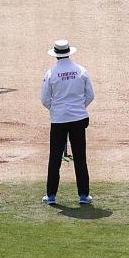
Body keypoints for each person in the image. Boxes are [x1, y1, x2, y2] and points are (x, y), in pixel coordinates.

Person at [41, 40, 94, 206]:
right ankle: (84, 195)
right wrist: (78, 107)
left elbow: (45, 99)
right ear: (69, 53)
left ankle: (51, 196)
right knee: (80, 157)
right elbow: (90, 95)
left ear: (56, 55)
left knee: (55, 158)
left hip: (59, 120)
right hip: (78, 119)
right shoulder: (81, 71)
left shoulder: (51, 73)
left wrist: (57, 110)